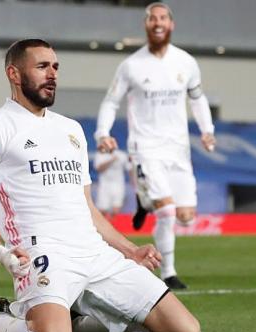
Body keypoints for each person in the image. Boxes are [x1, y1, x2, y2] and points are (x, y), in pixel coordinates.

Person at [0, 39, 200, 332]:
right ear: (14, 74)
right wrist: (1, 254)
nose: (53, 74)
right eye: (42, 66)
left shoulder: (71, 130)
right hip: (43, 252)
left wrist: (130, 250)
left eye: (56, 67)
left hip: (94, 252)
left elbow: (88, 207)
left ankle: (77, 324)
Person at [94, 2, 216, 290]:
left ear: (171, 24)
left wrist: (207, 130)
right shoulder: (131, 66)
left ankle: (144, 199)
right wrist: (102, 132)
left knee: (186, 218)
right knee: (168, 212)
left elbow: (197, 98)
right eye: (152, 18)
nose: (157, 23)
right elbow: (111, 101)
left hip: (178, 149)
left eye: (163, 18)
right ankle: (169, 274)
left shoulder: (186, 62)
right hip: (145, 147)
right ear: (146, 25)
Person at [93, 149, 130, 219]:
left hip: (118, 185)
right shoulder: (100, 154)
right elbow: (99, 168)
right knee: (102, 211)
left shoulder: (122, 155)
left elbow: (129, 168)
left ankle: (112, 227)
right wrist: (111, 160)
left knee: (116, 210)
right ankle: (102, 227)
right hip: (104, 186)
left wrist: (134, 182)